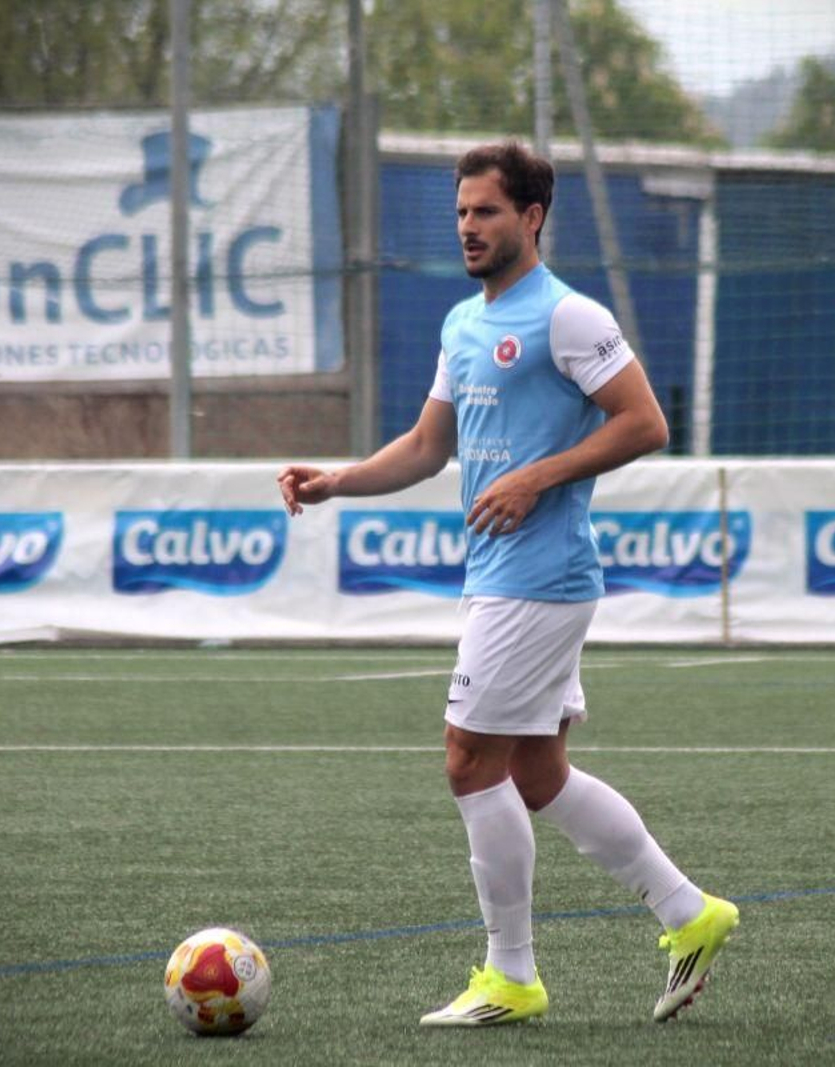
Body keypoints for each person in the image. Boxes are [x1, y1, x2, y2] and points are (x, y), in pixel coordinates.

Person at [277, 141, 738, 1026]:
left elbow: (645, 422)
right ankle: (689, 912)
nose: (468, 227)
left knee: (467, 758)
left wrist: (537, 476)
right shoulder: (462, 324)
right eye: (460, 212)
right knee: (535, 772)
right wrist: (337, 481)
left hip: (541, 576)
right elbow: (427, 447)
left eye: (485, 211)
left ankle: (511, 975)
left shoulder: (569, 316)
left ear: (531, 217)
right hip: (501, 575)